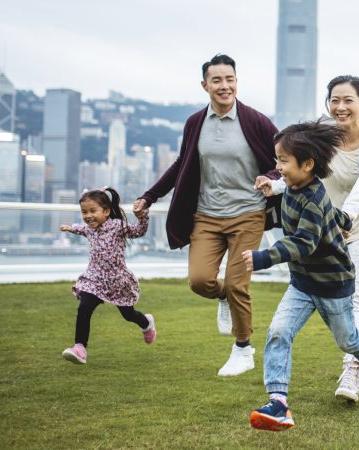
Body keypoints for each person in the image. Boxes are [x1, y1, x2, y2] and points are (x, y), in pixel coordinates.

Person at [256, 75, 359, 403]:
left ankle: (353, 368)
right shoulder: (322, 136)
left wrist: (347, 221)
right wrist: (276, 185)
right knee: (311, 306)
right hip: (321, 231)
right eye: (334, 100)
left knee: (356, 298)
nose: (340, 107)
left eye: (348, 100)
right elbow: (299, 168)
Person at [133, 54, 280, 377]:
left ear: (237, 82)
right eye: (217, 80)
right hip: (207, 216)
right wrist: (149, 195)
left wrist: (270, 176)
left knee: (239, 284)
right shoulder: (195, 123)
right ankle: (224, 297)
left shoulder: (256, 121)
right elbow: (180, 165)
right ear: (205, 85)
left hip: (248, 213)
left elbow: (282, 159)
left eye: (230, 79)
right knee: (200, 281)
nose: (224, 86)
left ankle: (243, 348)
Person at [243, 121, 359, 432]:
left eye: (283, 160)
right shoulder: (295, 190)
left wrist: (262, 257)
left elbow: (303, 242)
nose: (278, 166)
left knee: (348, 340)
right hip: (301, 284)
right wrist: (341, 219)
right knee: (278, 331)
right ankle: (278, 403)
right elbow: (328, 214)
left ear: (307, 164)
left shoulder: (312, 197)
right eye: (277, 159)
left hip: (333, 285)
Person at [60, 187, 154, 365]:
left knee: (128, 314)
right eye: (84, 212)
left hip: (117, 281)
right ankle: (80, 348)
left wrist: (143, 215)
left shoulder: (117, 226)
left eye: (92, 211)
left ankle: (146, 323)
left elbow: (139, 231)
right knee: (84, 308)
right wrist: (71, 228)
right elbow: (81, 229)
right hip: (94, 280)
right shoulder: (89, 229)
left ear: (106, 211)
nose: (88, 216)